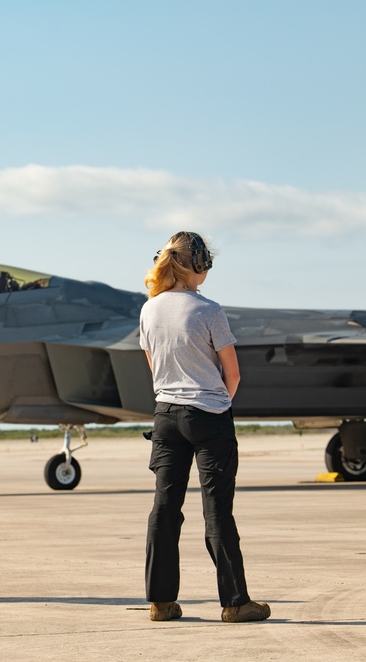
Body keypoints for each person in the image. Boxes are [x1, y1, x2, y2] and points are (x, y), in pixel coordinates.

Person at [138, 232, 270, 623]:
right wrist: (218, 405)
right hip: (208, 416)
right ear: (196, 263)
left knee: (164, 508)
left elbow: (153, 368)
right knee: (217, 512)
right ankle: (235, 603)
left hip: (166, 416)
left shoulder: (149, 310)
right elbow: (233, 373)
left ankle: (161, 603)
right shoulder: (208, 310)